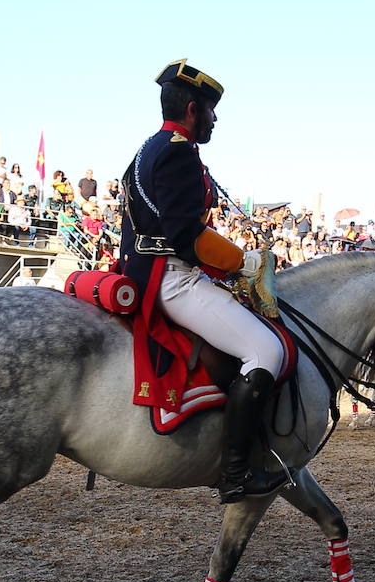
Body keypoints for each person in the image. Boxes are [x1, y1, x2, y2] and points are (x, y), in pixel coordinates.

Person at [120, 58, 285, 502]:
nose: (215, 120)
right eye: (211, 111)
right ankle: (235, 473)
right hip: (171, 278)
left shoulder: (148, 148)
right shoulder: (178, 152)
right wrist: (242, 263)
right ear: (193, 109)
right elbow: (185, 236)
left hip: (149, 270)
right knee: (266, 350)